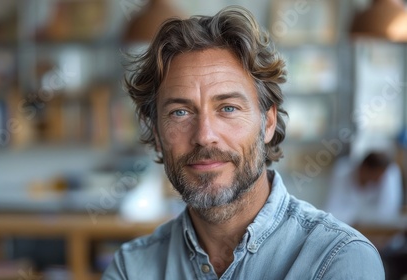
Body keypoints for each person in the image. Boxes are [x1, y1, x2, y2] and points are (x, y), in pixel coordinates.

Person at [103, 6, 384, 279]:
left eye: (228, 108)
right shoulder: (131, 268)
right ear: (156, 132)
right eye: (180, 112)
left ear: (268, 122)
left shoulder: (338, 259)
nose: (204, 135)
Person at [325, 151, 403, 226]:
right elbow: (332, 211)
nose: (378, 180)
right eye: (375, 176)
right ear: (364, 169)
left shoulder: (389, 175)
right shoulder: (342, 172)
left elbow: (387, 214)